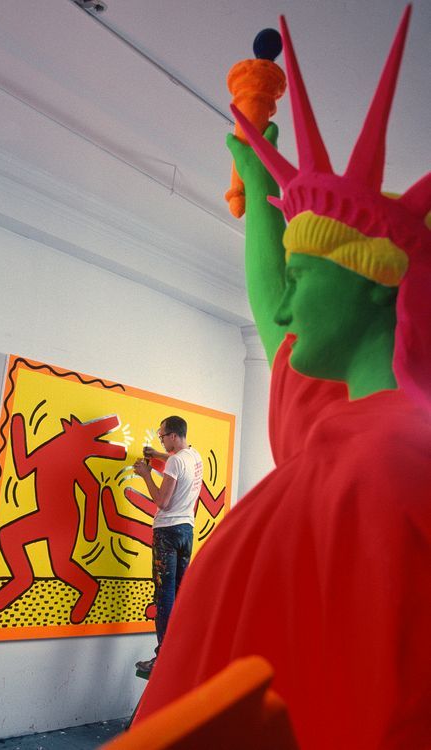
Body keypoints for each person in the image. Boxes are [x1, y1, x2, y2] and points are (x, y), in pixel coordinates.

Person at [132, 9, 431, 749]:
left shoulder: (385, 457)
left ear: (376, 287)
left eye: (309, 273)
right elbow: (275, 299)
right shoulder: (334, 418)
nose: (290, 308)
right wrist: (252, 142)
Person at [133, 415, 203, 673]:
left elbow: (162, 501)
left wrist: (146, 473)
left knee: (164, 597)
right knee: (179, 594)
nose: (160, 439)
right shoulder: (194, 456)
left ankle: (162, 657)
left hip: (167, 532)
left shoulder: (174, 461)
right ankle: (180, 653)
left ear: (173, 435)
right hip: (187, 530)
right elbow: (177, 463)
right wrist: (158, 455)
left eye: (162, 436)